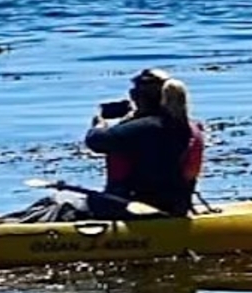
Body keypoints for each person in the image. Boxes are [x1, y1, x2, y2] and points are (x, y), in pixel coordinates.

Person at [82, 68, 205, 217]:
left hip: (130, 209)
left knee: (61, 202)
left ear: (136, 97)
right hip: (175, 207)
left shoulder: (144, 128)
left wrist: (99, 124)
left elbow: (95, 141)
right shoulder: (186, 126)